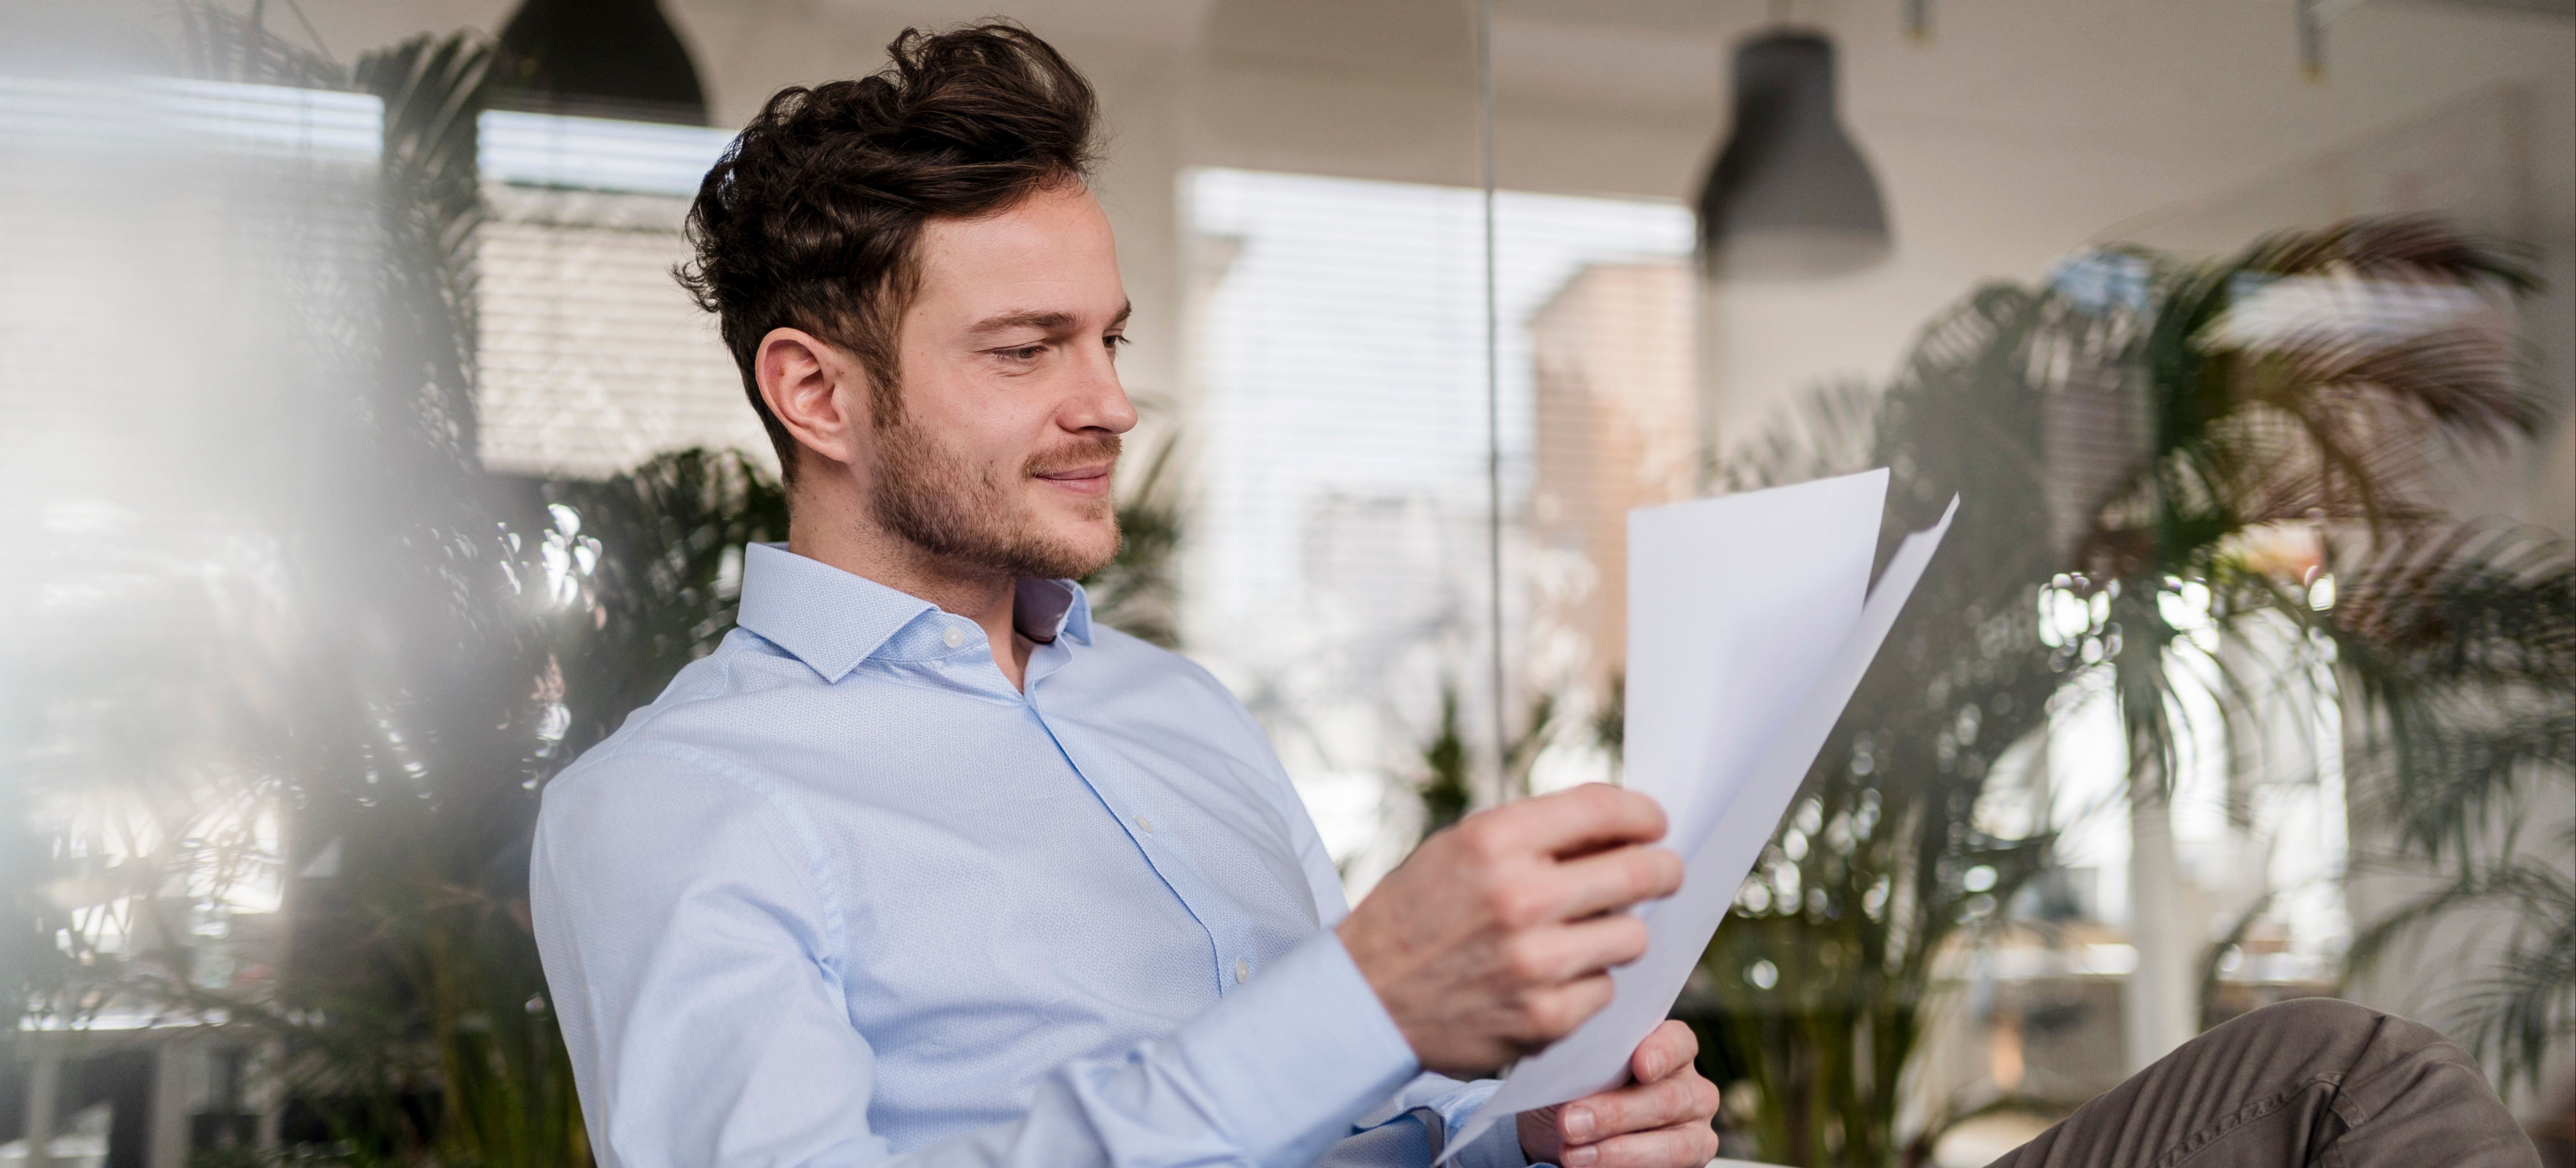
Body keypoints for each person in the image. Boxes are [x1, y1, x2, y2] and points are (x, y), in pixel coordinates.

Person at [527, 22, 2541, 1168]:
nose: (1109, 403)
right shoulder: (684, 802)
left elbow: (1350, 1124)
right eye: (1026, 349)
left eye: (1114, 337)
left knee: (2323, 1084)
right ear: (817, 390)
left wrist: (1526, 1136)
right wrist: (1360, 1000)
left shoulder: (1167, 718)